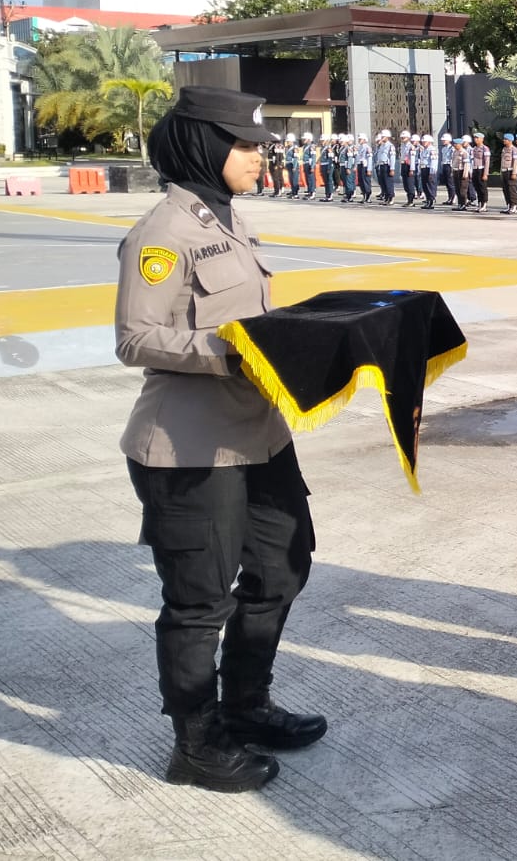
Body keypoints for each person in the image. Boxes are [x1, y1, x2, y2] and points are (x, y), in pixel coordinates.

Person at [116, 86, 326, 794]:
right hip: (191, 448)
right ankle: (196, 743)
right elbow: (135, 337)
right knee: (199, 601)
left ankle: (246, 705)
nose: (261, 157)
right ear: (207, 145)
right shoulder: (163, 232)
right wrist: (234, 350)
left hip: (260, 435)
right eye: (247, 146)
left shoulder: (228, 220)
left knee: (281, 569)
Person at [375, 130, 396, 205]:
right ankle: (386, 197)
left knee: (388, 182)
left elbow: (392, 158)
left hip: (387, 165)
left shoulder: (390, 146)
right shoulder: (381, 146)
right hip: (381, 165)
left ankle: (391, 197)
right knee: (383, 182)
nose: (382, 138)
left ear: (387, 137)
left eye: (383, 136)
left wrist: (392, 168)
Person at [417, 134, 438, 209]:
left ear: (429, 142)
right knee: (425, 186)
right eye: (422, 141)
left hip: (429, 169)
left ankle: (431, 201)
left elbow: (433, 161)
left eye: (425, 141)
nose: (423, 142)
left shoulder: (432, 149)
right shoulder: (423, 150)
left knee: (430, 186)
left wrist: (432, 172)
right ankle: (428, 200)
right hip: (423, 169)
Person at [318, 135, 336, 202]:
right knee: (325, 181)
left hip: (328, 165)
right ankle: (327, 194)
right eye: (321, 140)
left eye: (323, 140)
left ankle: (330, 195)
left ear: (326, 141)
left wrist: (329, 168)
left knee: (329, 180)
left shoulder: (329, 148)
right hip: (323, 165)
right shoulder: (322, 148)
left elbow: (330, 159)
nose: (322, 142)